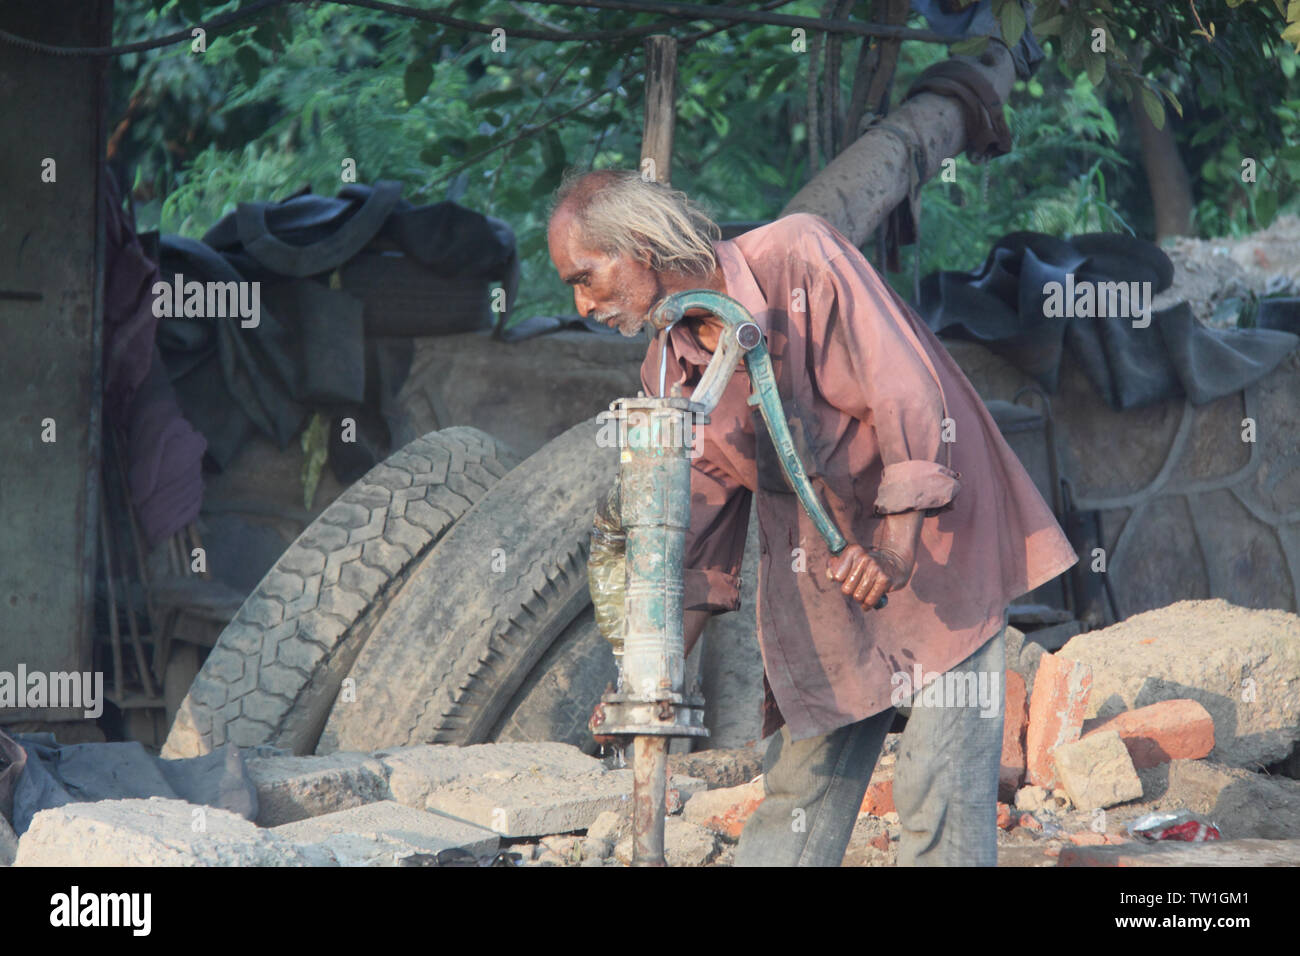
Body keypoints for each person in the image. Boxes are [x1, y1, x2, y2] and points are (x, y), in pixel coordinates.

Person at [546, 168, 1078, 866]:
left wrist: (894, 547)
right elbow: (699, 544)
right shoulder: (669, 373)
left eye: (587, 277)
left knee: (937, 789)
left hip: (938, 537)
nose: (585, 304)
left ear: (640, 245)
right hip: (826, 571)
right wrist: (651, 682)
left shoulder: (800, 256)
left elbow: (908, 394)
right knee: (798, 795)